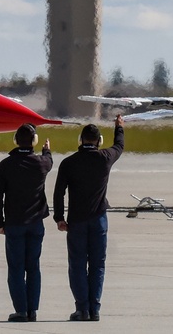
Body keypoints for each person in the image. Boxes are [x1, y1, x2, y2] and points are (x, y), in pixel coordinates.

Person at [53, 114, 125, 322]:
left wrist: (59, 217)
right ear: (99, 142)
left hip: (76, 220)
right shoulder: (105, 157)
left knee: (77, 265)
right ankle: (95, 309)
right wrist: (119, 127)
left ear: (80, 140)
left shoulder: (68, 163)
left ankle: (82, 309)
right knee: (98, 264)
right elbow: (119, 145)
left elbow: (59, 192)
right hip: (99, 219)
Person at [0, 123, 53, 322]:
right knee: (33, 266)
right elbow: (49, 160)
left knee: (16, 268)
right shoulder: (42, 163)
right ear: (34, 141)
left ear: (15, 141)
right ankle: (32, 310)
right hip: (36, 223)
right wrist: (46, 150)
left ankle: (21, 310)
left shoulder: (5, 165)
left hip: (14, 223)